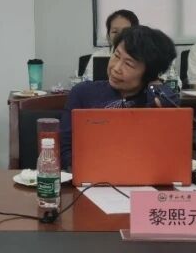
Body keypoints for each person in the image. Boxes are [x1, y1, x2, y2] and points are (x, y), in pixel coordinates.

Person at [61, 25, 178, 169]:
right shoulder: (83, 93)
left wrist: (156, 88)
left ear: (149, 74)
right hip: (91, 175)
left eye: (128, 64)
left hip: (142, 173)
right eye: (116, 56)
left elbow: (168, 154)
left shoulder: (156, 99)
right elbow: (65, 150)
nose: (116, 68)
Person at [82, 9, 139, 80]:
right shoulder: (98, 56)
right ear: (108, 35)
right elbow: (87, 81)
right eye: (115, 31)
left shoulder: (142, 57)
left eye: (125, 31)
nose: (120, 35)